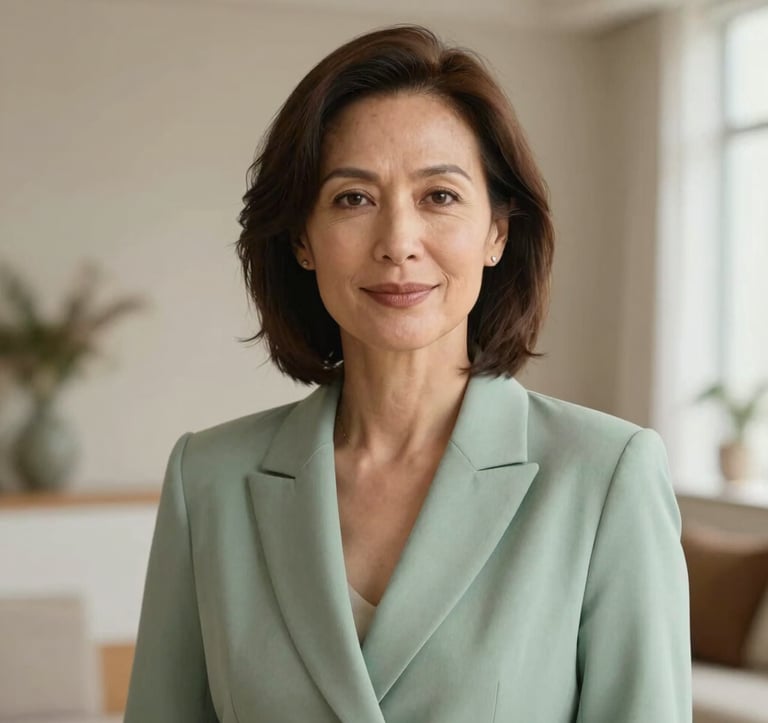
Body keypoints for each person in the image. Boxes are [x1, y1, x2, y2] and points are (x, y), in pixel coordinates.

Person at [124, 24, 692, 723]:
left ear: (498, 232)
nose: (397, 243)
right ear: (302, 238)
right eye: (353, 198)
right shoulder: (206, 480)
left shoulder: (606, 477)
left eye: (440, 196)